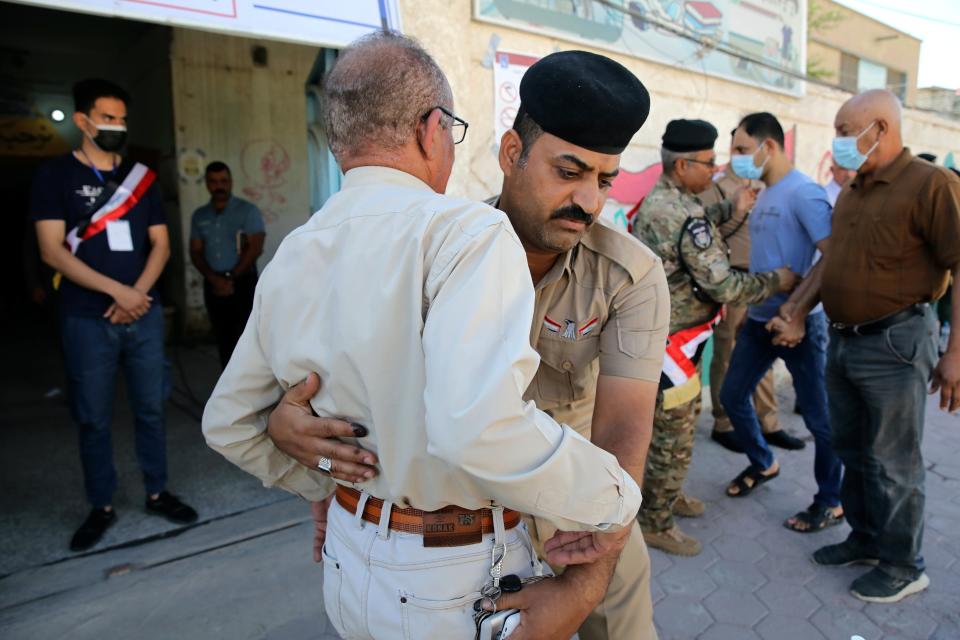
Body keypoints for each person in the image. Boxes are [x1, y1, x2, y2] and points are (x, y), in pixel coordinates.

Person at [201, 34, 644, 640]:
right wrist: (616, 500)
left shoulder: (295, 251)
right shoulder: (467, 231)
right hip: (451, 582)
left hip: (350, 562)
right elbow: (475, 426)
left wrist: (325, 480)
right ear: (433, 129)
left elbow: (229, 421)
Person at [774, 90, 960, 603]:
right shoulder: (854, 190)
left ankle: (904, 565)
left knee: (893, 460)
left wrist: (956, 355)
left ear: (878, 129)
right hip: (846, 341)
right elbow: (832, 262)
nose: (837, 141)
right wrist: (796, 307)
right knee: (852, 449)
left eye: (842, 129)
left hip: (896, 343)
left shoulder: (931, 184)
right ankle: (866, 539)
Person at [31, 78, 197, 552]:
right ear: (82, 120)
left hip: (142, 315)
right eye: (107, 118)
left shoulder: (141, 179)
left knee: (151, 408)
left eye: (121, 119)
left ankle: (157, 491)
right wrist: (117, 293)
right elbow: (51, 251)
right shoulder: (55, 177)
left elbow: (162, 245)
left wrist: (137, 296)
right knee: (93, 416)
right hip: (86, 316)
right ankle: (100, 505)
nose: (116, 127)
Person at [631, 119, 797, 556]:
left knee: (678, 422)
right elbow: (723, 285)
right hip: (675, 347)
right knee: (674, 433)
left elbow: (694, 229)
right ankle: (655, 521)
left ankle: (664, 497)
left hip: (671, 339)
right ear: (683, 165)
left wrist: (732, 209)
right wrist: (776, 281)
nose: (716, 168)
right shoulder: (683, 212)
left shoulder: (669, 201)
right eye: (708, 163)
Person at [717, 112, 843, 535]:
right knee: (733, 396)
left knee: (821, 420)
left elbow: (832, 255)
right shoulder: (765, 191)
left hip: (800, 326)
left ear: (767, 147)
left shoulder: (804, 193)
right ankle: (764, 462)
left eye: (740, 149)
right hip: (759, 319)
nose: (735, 158)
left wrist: (800, 313)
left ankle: (831, 500)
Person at [700, 155, 804, 453]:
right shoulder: (716, 189)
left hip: (765, 283)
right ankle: (724, 422)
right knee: (727, 354)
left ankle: (768, 422)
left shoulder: (764, 187)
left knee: (763, 353)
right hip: (731, 282)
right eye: (743, 148)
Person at [189, 161, 265, 368]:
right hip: (213, 284)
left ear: (231, 182)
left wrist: (230, 278)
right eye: (213, 182)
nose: (219, 186)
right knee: (222, 336)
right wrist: (215, 280)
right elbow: (195, 251)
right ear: (207, 184)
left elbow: (255, 248)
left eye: (223, 181)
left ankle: (251, 386)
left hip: (242, 282)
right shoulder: (200, 215)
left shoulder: (247, 211)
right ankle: (227, 384)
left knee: (247, 337)